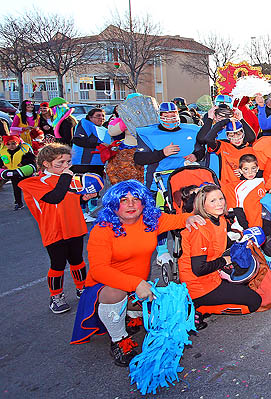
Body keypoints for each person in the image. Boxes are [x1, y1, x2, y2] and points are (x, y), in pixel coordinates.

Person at [71, 180, 203, 366]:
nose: (131, 204)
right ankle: (119, 340)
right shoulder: (102, 230)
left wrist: (189, 218)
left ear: (144, 203)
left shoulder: (150, 221)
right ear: (113, 204)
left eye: (136, 199)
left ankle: (131, 316)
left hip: (138, 287)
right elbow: (99, 270)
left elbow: (178, 220)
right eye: (124, 200)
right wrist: (136, 284)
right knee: (115, 292)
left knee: (174, 310)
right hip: (105, 288)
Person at [18, 143, 95, 313]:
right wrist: (67, 177)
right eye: (59, 163)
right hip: (53, 230)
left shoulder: (69, 178)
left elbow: (71, 199)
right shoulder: (34, 182)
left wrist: (85, 197)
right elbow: (54, 198)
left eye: (68, 162)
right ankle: (56, 296)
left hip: (74, 225)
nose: (65, 167)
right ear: (45, 163)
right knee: (58, 264)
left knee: (77, 260)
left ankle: (82, 288)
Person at [179, 184, 262, 317]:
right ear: (202, 204)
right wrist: (224, 260)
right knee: (254, 302)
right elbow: (198, 269)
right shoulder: (198, 229)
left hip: (213, 275)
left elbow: (221, 243)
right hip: (198, 285)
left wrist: (244, 240)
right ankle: (198, 308)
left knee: (248, 284)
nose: (219, 204)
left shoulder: (221, 220)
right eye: (212, 201)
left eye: (221, 198)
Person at [134, 102, 204, 191]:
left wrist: (195, 156)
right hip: (157, 182)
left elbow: (200, 150)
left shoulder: (191, 130)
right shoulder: (148, 133)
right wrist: (162, 153)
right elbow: (139, 159)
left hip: (184, 180)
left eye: (172, 116)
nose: (170, 120)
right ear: (160, 116)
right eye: (166, 116)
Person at [198, 116, 257, 185]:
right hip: (226, 185)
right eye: (232, 135)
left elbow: (252, 137)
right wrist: (225, 121)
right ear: (227, 136)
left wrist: (241, 119)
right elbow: (208, 139)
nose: (236, 138)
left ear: (243, 134)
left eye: (238, 134)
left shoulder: (250, 148)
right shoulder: (223, 146)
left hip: (246, 184)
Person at [221, 154, 267, 230]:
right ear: (240, 170)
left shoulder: (263, 181)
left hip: (262, 224)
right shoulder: (235, 187)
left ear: (258, 168)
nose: (250, 172)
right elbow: (237, 210)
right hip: (244, 226)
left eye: (253, 168)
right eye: (246, 169)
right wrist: (246, 227)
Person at [0, 135, 36, 210]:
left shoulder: (23, 150)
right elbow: (1, 160)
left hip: (25, 172)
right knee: (16, 188)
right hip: (13, 173)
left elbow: (32, 158)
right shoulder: (4, 152)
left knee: (28, 188)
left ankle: (33, 201)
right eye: (8, 144)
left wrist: (23, 163)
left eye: (14, 143)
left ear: (18, 143)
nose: (11, 146)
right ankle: (18, 202)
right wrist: (2, 165)